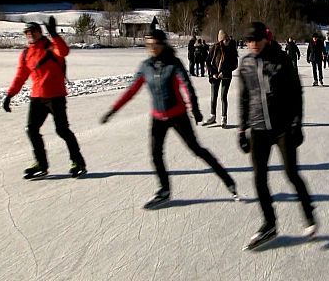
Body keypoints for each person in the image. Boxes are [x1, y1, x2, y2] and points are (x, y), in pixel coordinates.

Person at [100, 27, 237, 209]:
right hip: (158, 117)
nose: (152, 48)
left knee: (196, 149)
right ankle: (164, 190)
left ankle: (227, 179)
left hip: (178, 115)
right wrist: (113, 109)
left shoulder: (173, 63)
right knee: (156, 154)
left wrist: (194, 108)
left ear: (163, 44)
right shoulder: (146, 67)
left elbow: (186, 85)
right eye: (148, 45)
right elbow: (131, 90)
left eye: (156, 44)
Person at [238, 21, 317, 250]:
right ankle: (269, 223)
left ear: (266, 39)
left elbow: (296, 93)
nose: (252, 44)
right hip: (258, 128)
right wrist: (242, 129)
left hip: (282, 127)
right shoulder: (246, 64)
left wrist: (297, 124)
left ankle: (308, 214)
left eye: (256, 40)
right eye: (248, 41)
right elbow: (244, 98)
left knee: (291, 174)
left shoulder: (282, 60)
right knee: (259, 178)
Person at [4, 18, 87, 179]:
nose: (30, 35)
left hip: (56, 96)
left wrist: (55, 34)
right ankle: (41, 164)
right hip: (37, 97)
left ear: (39, 32)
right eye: (27, 33)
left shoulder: (51, 46)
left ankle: (78, 162)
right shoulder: (26, 53)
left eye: (33, 31)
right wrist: (10, 95)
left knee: (62, 130)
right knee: (31, 129)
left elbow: (64, 52)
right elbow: (20, 76)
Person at [203, 30, 238, 128]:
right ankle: (212, 116)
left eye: (227, 39)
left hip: (226, 76)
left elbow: (235, 64)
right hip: (215, 76)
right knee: (213, 96)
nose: (227, 41)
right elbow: (208, 62)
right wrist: (213, 73)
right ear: (220, 40)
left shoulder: (231, 48)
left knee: (223, 96)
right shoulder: (214, 48)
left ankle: (224, 118)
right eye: (225, 40)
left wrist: (225, 72)